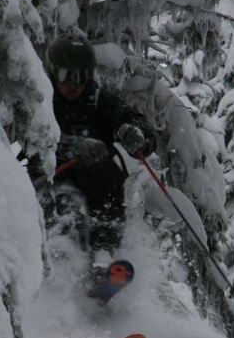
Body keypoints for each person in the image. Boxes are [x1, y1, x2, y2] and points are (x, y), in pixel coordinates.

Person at [30, 33, 155, 272]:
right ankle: (53, 260)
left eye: (81, 76)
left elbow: (140, 124)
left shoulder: (98, 102)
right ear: (54, 73)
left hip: (95, 191)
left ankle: (103, 252)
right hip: (50, 183)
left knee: (104, 166)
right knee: (58, 200)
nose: (74, 84)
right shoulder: (41, 101)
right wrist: (69, 146)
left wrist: (138, 134)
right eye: (67, 76)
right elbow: (28, 137)